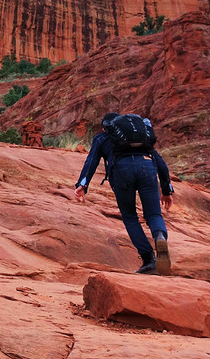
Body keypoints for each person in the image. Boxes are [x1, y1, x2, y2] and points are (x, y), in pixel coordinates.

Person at [74, 112, 174, 274]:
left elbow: (91, 161)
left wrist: (82, 185)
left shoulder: (102, 138)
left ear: (105, 127)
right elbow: (161, 164)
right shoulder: (139, 139)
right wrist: (167, 190)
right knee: (154, 215)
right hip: (146, 168)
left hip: (122, 172)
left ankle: (149, 260)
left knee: (130, 217)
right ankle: (160, 237)